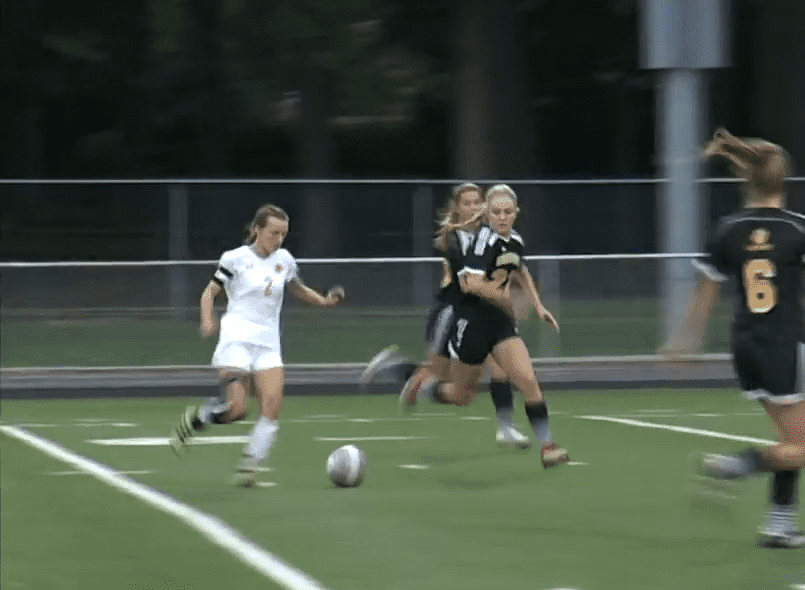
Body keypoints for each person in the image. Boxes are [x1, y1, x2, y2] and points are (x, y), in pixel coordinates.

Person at [661, 128, 805, 548]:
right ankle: (732, 466)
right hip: (785, 344)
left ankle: (779, 526)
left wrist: (685, 340)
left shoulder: (728, 229)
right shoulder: (802, 227)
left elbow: (705, 294)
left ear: (747, 179)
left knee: (790, 439)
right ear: (784, 179)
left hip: (746, 345)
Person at [170, 204, 345, 487]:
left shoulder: (285, 260)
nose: (278, 239)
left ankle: (248, 468)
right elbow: (209, 292)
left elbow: (295, 287)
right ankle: (199, 418)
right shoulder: (235, 258)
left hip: (268, 344)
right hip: (236, 339)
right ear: (257, 230)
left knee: (271, 409)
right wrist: (207, 320)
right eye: (273, 232)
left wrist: (323, 301)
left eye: (283, 234)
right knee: (236, 409)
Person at [359, 182, 531, 448]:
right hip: (451, 314)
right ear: (457, 209)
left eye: (478, 202)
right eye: (468, 203)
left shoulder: (492, 233)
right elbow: (473, 281)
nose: (475, 207)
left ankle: (505, 427)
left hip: (482, 315)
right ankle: (395, 369)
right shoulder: (454, 240)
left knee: (495, 372)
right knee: (441, 380)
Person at [410, 184, 571, 469]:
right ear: (488, 213)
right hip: (471, 324)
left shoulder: (515, 240)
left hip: (499, 325)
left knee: (528, 380)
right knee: (462, 395)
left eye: (508, 212)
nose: (502, 217)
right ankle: (428, 386)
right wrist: (504, 299)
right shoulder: (482, 241)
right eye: (496, 212)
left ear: (516, 213)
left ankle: (547, 447)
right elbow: (470, 284)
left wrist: (538, 305)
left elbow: (521, 269)